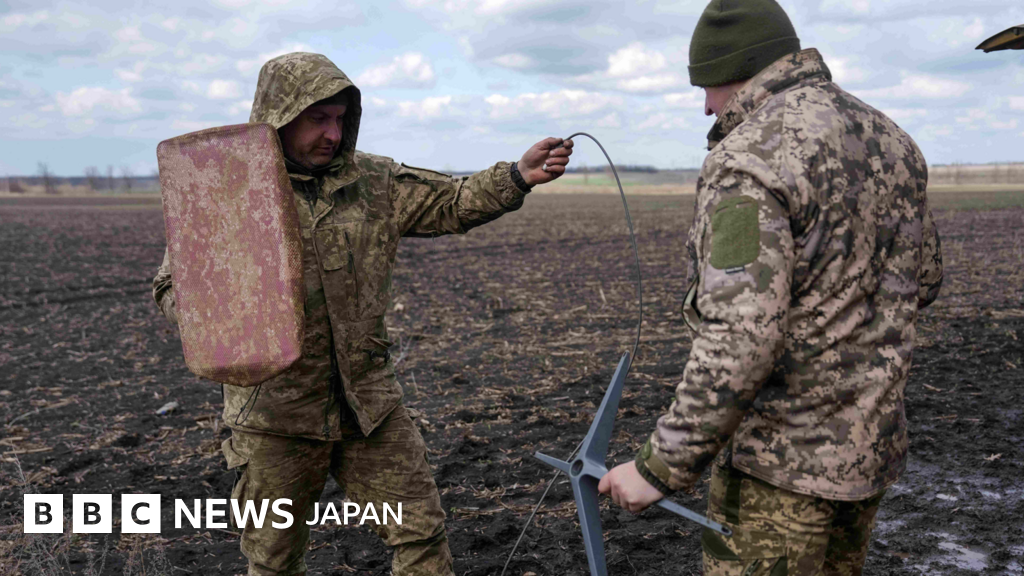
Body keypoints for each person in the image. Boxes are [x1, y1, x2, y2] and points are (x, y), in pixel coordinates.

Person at [152, 52, 573, 576]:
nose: (332, 132)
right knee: (273, 560)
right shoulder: (227, 192)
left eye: (340, 118)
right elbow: (174, 286)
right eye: (317, 118)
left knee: (420, 531)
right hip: (274, 416)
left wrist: (517, 175)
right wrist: (222, 319)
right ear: (278, 117)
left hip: (368, 407)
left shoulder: (373, 180)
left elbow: (453, 202)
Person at [597, 1, 943, 575]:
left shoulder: (749, 157)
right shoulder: (892, 139)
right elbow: (923, 281)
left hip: (777, 470)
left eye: (705, 86)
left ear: (733, 70)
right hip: (867, 459)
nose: (705, 105)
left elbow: (741, 334)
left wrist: (659, 467)